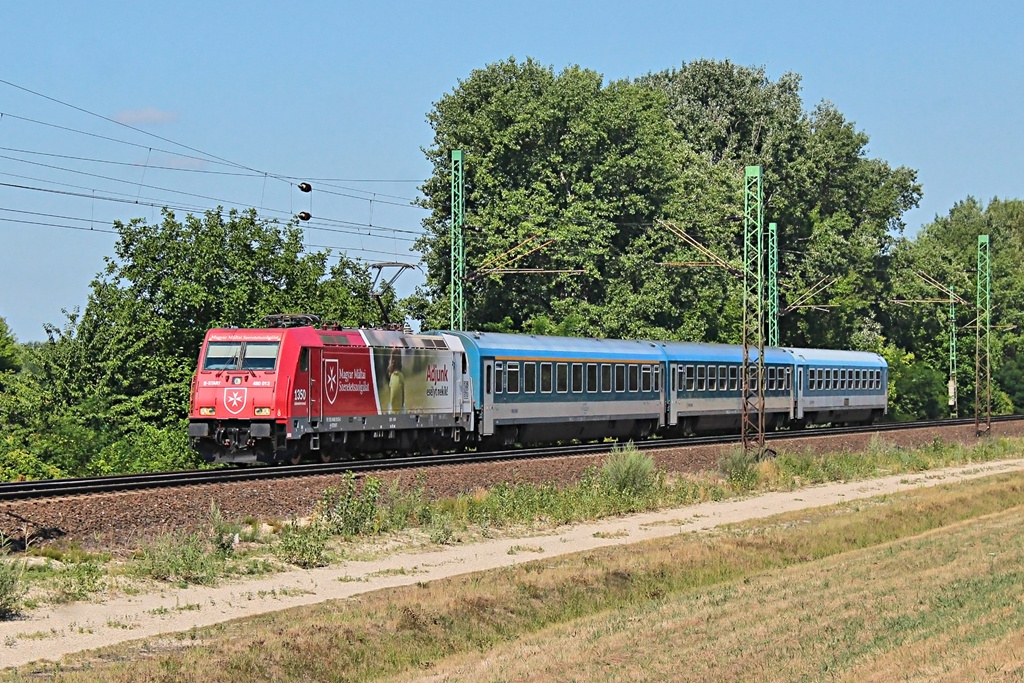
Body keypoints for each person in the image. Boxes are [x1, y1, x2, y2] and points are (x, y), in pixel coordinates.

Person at [387, 349, 405, 413]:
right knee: (404, 407)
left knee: (389, 405)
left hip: (392, 410)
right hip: (400, 410)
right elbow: (403, 397)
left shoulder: (392, 376)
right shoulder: (401, 376)